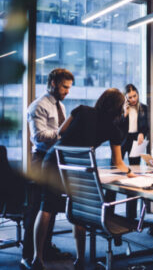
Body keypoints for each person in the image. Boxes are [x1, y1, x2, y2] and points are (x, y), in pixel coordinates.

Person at [31, 88, 136, 270]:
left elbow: (61, 132)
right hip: (79, 167)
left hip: (54, 159)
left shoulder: (82, 109)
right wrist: (129, 171)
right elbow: (118, 163)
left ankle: (36, 259)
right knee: (78, 209)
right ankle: (80, 259)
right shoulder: (113, 129)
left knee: (46, 207)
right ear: (119, 107)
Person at [21, 68, 74, 270]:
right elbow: (38, 137)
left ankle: (45, 248)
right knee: (37, 209)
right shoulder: (38, 106)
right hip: (42, 160)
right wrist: (63, 132)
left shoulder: (60, 105)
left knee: (50, 206)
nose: (67, 91)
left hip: (56, 159)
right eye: (64, 86)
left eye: (69, 87)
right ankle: (28, 255)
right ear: (53, 83)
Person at [120, 84, 149, 165]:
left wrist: (142, 133)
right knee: (115, 165)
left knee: (135, 166)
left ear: (138, 94)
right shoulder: (120, 108)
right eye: (130, 97)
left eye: (135, 96)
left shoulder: (144, 108)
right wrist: (125, 114)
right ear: (125, 97)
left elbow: (146, 126)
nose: (133, 99)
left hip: (136, 140)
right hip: (122, 139)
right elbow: (116, 125)